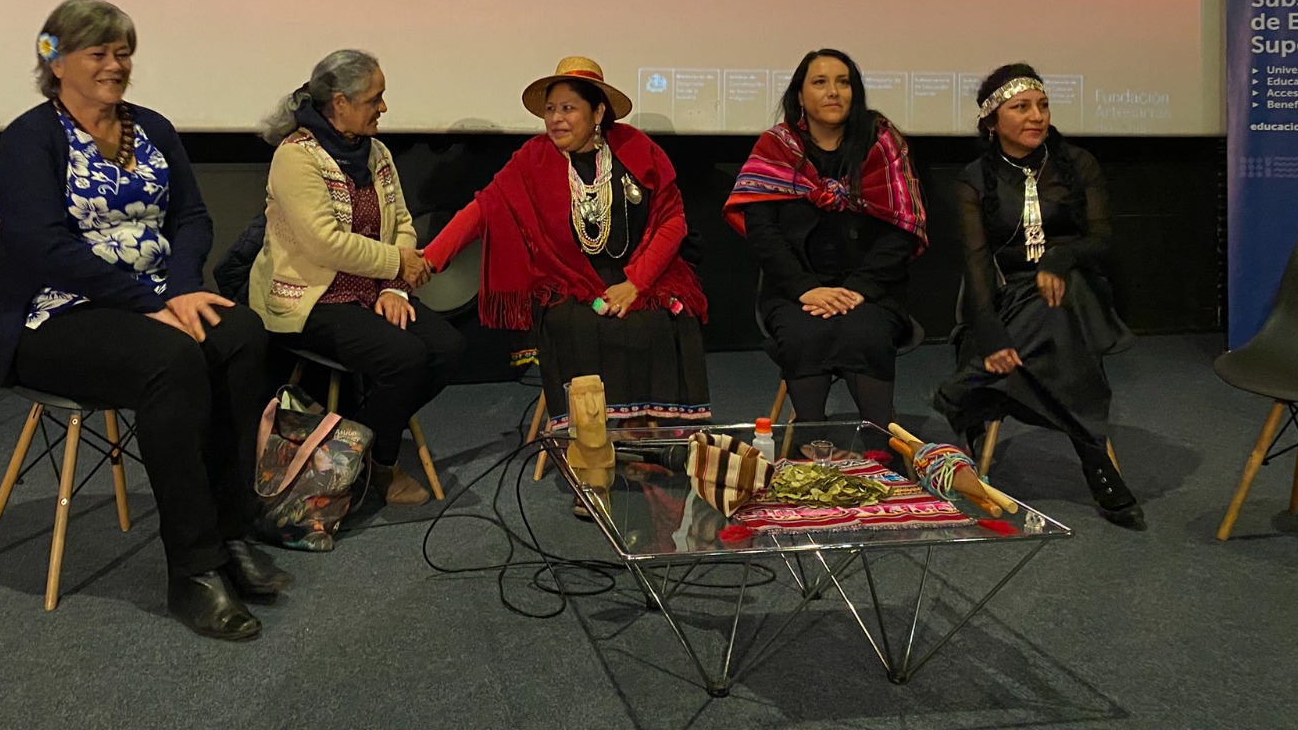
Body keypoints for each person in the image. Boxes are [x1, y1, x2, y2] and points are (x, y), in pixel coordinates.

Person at [0, 0, 289, 642]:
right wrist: (150, 304)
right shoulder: (30, 139)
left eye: (123, 53)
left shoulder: (152, 128)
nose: (115, 66)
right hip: (54, 313)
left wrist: (181, 290)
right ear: (55, 61)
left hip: (156, 299)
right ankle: (194, 570)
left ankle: (230, 530)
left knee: (241, 335)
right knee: (169, 360)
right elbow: (42, 246)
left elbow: (191, 217)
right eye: (98, 53)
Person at [421, 56, 711, 434]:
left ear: (598, 112)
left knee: (659, 321)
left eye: (568, 108)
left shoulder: (636, 148)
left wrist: (635, 283)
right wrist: (428, 260)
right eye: (550, 109)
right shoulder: (533, 159)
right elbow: (483, 210)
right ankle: (592, 441)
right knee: (579, 324)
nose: (556, 118)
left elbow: (673, 221)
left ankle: (652, 436)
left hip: (640, 275)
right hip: (570, 280)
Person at [248, 49, 465, 507]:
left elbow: (402, 222)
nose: (383, 107)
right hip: (313, 297)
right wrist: (396, 266)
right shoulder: (295, 157)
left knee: (449, 348)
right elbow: (324, 244)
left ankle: (352, 441)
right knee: (405, 358)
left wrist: (393, 287)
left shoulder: (376, 152)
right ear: (340, 103)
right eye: (374, 99)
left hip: (371, 289)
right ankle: (384, 463)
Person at [933, 63, 1144, 530]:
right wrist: (990, 334)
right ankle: (1095, 459)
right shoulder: (973, 179)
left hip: (1075, 289)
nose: (1037, 116)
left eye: (1043, 105)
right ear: (992, 121)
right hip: (1009, 296)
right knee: (1055, 324)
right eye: (1022, 107)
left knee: (1062, 303)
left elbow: (1102, 239)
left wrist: (1058, 259)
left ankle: (970, 385)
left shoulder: (1078, 163)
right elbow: (976, 263)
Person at [724, 49, 927, 430]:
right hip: (794, 291)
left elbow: (902, 231)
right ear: (800, 96)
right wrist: (805, 289)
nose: (833, 91)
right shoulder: (775, 148)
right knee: (805, 333)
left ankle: (879, 445)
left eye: (843, 82)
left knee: (864, 331)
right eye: (820, 82)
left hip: (872, 290)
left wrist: (858, 289)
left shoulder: (883, 144)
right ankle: (810, 443)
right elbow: (763, 234)